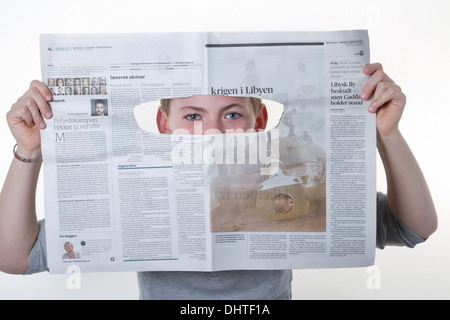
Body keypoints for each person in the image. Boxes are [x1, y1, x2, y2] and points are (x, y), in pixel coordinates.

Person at [0, 63, 437, 299]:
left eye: (231, 114)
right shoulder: (136, 181)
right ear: (164, 124)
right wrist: (30, 152)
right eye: (192, 116)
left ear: (258, 121)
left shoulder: (287, 176)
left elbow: (413, 227)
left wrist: (386, 135)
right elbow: (15, 257)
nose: (211, 133)